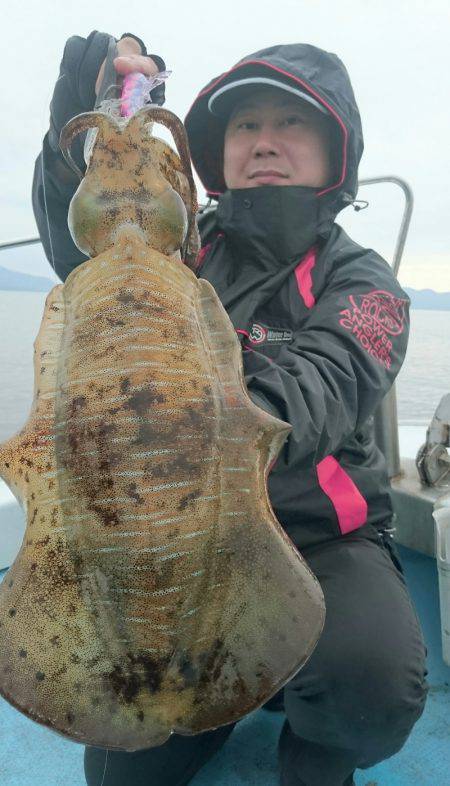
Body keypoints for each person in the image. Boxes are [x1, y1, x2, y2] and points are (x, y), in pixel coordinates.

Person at [32, 30, 428, 786]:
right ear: (218, 151)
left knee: (369, 687)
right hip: (166, 533)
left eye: (291, 122)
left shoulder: (364, 280)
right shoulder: (180, 248)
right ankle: (217, 709)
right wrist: (66, 147)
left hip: (317, 536)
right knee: (123, 768)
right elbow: (81, 247)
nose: (265, 141)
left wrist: (197, 423)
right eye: (246, 125)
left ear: (334, 149)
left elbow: (327, 381)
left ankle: (316, 751)